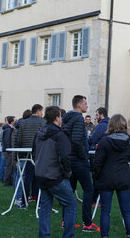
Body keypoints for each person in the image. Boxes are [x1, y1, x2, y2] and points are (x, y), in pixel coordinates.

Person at [33, 106, 77, 238]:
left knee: (46, 206)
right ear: (57, 118)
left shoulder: (40, 133)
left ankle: (44, 235)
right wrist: (67, 172)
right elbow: (65, 157)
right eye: (61, 116)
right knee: (71, 204)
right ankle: (68, 235)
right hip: (54, 176)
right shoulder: (59, 135)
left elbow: (34, 152)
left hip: (41, 175)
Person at [93, 114, 130, 238]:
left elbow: (97, 162)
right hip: (123, 178)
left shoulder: (105, 141)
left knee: (106, 211)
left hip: (107, 177)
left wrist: (96, 176)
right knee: (126, 210)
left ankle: (104, 236)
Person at [62, 95, 97, 232]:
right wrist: (84, 157)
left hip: (70, 159)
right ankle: (87, 224)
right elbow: (76, 141)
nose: (87, 106)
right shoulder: (77, 118)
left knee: (70, 190)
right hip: (77, 160)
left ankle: (66, 221)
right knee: (89, 189)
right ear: (79, 105)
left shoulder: (67, 118)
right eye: (85, 103)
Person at [17, 104, 46, 208]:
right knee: (38, 177)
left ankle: (24, 201)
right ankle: (39, 202)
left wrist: (21, 152)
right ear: (38, 111)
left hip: (27, 153)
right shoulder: (43, 122)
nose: (42, 114)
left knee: (27, 177)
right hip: (38, 153)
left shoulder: (23, 122)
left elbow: (19, 139)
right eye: (41, 112)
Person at [2, 116, 15, 186]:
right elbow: (7, 141)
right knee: (9, 167)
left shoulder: (9, 129)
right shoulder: (8, 130)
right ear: (12, 121)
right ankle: (6, 182)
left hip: (8, 150)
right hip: (8, 151)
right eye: (14, 120)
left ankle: (9, 181)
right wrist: (9, 150)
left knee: (10, 166)